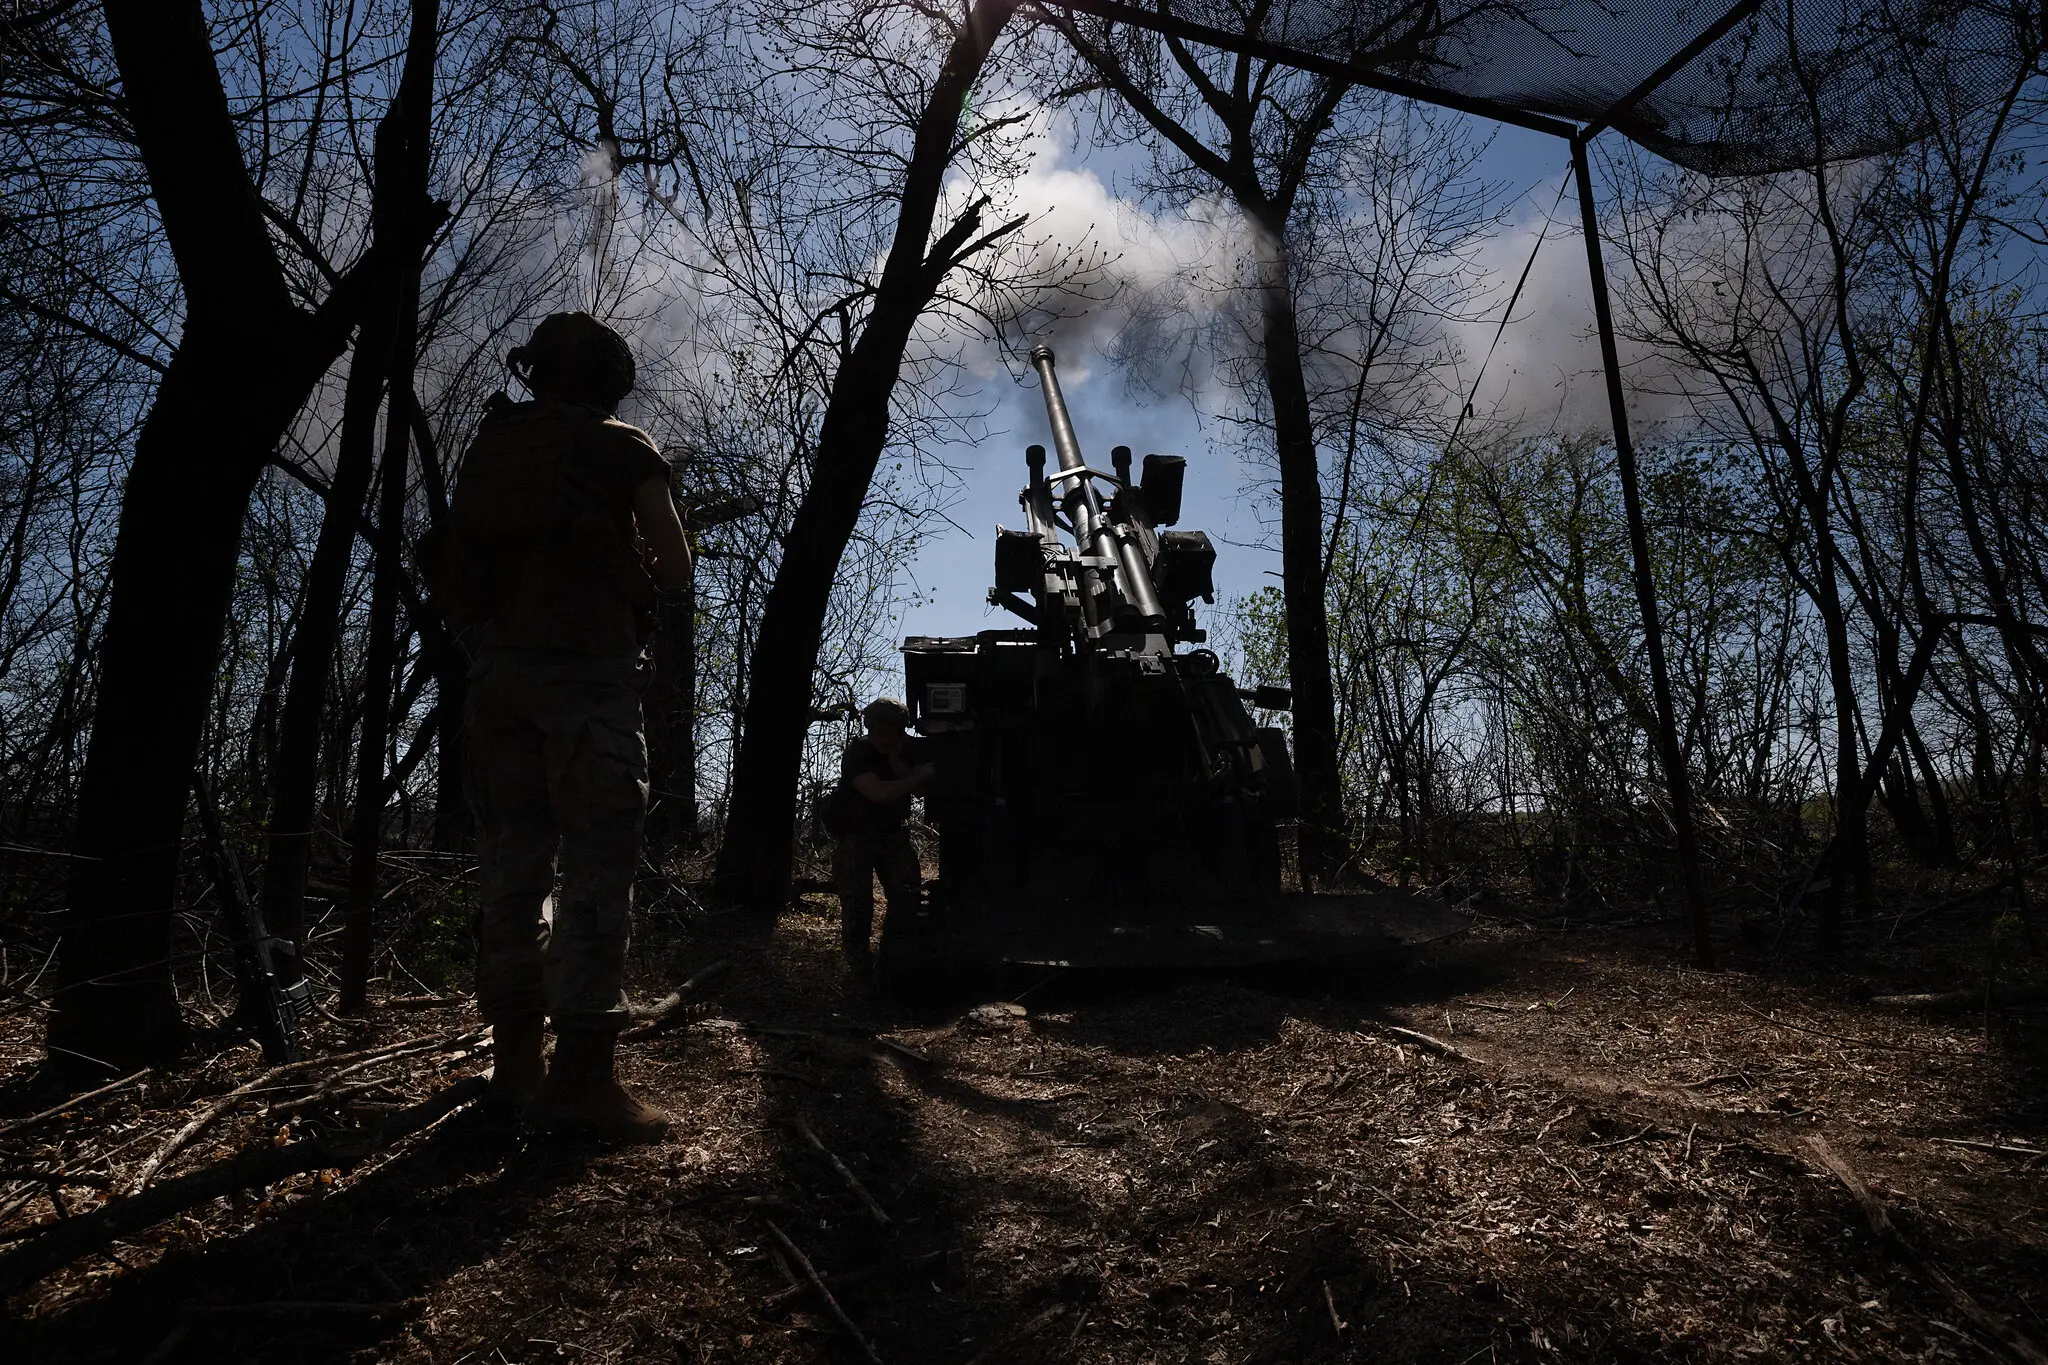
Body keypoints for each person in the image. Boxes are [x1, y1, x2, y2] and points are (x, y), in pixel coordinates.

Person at [440, 311, 691, 1143]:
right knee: (595, 870)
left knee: (512, 869)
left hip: (497, 683)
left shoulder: (495, 445)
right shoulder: (621, 446)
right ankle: (583, 1079)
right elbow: (675, 567)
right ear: (611, 380)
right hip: (586, 680)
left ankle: (515, 1065)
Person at [832, 698, 932, 974]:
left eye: (893, 732)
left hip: (892, 833)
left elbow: (923, 792)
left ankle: (896, 963)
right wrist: (915, 777)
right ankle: (860, 969)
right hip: (855, 836)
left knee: (908, 898)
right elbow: (879, 793)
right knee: (857, 906)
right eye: (880, 731)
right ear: (870, 729)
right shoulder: (858, 753)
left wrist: (897, 762)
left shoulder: (909, 749)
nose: (886, 738)